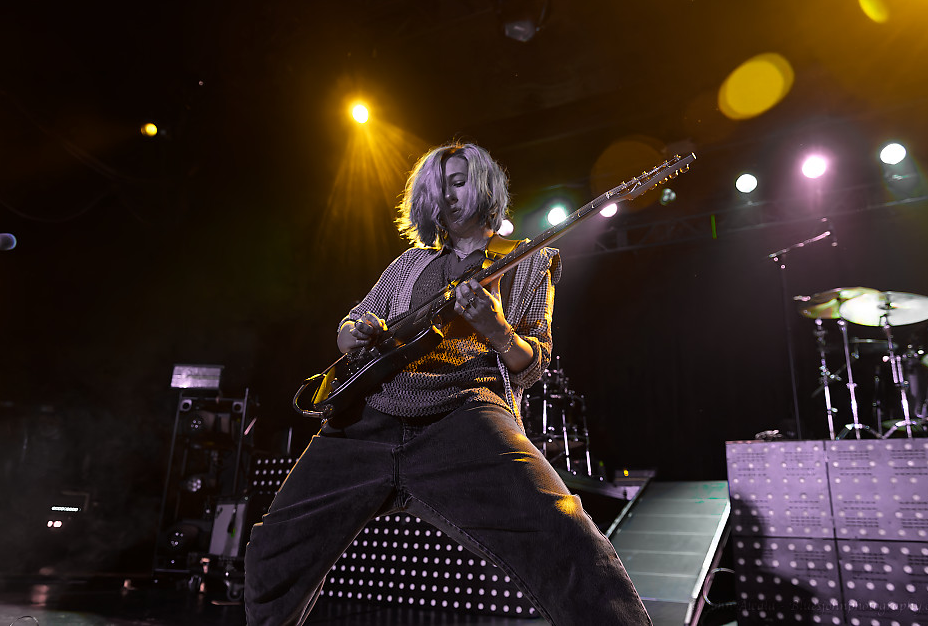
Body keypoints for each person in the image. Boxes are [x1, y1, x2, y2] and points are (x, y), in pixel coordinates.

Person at [243, 142, 652, 626]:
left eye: (458, 182)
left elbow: (533, 361)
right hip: (369, 418)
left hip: (467, 416)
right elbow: (351, 323)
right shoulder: (407, 265)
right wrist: (356, 333)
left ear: (484, 186)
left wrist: (497, 329)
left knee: (568, 539)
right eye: (439, 188)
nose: (448, 197)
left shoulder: (527, 261)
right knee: (272, 551)